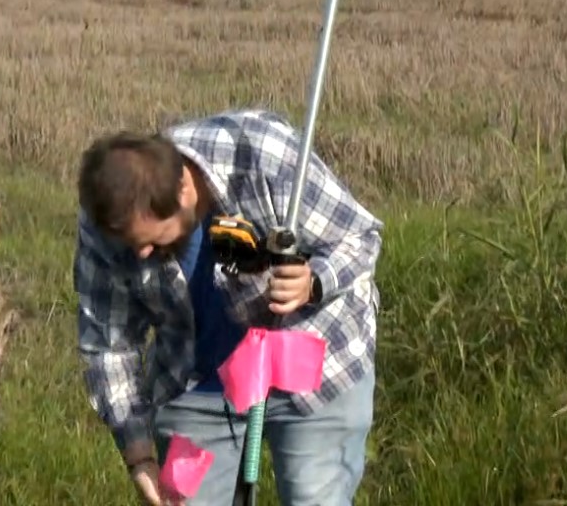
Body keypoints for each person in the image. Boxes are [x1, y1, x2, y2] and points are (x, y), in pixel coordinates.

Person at [72, 107, 385, 506]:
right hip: (195, 381)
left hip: (315, 366)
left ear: (184, 192)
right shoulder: (107, 220)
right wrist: (139, 454)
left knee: (313, 497)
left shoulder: (261, 154)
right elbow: (107, 343)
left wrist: (314, 280)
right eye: (134, 244)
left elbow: (360, 238)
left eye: (154, 240)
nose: (143, 253)